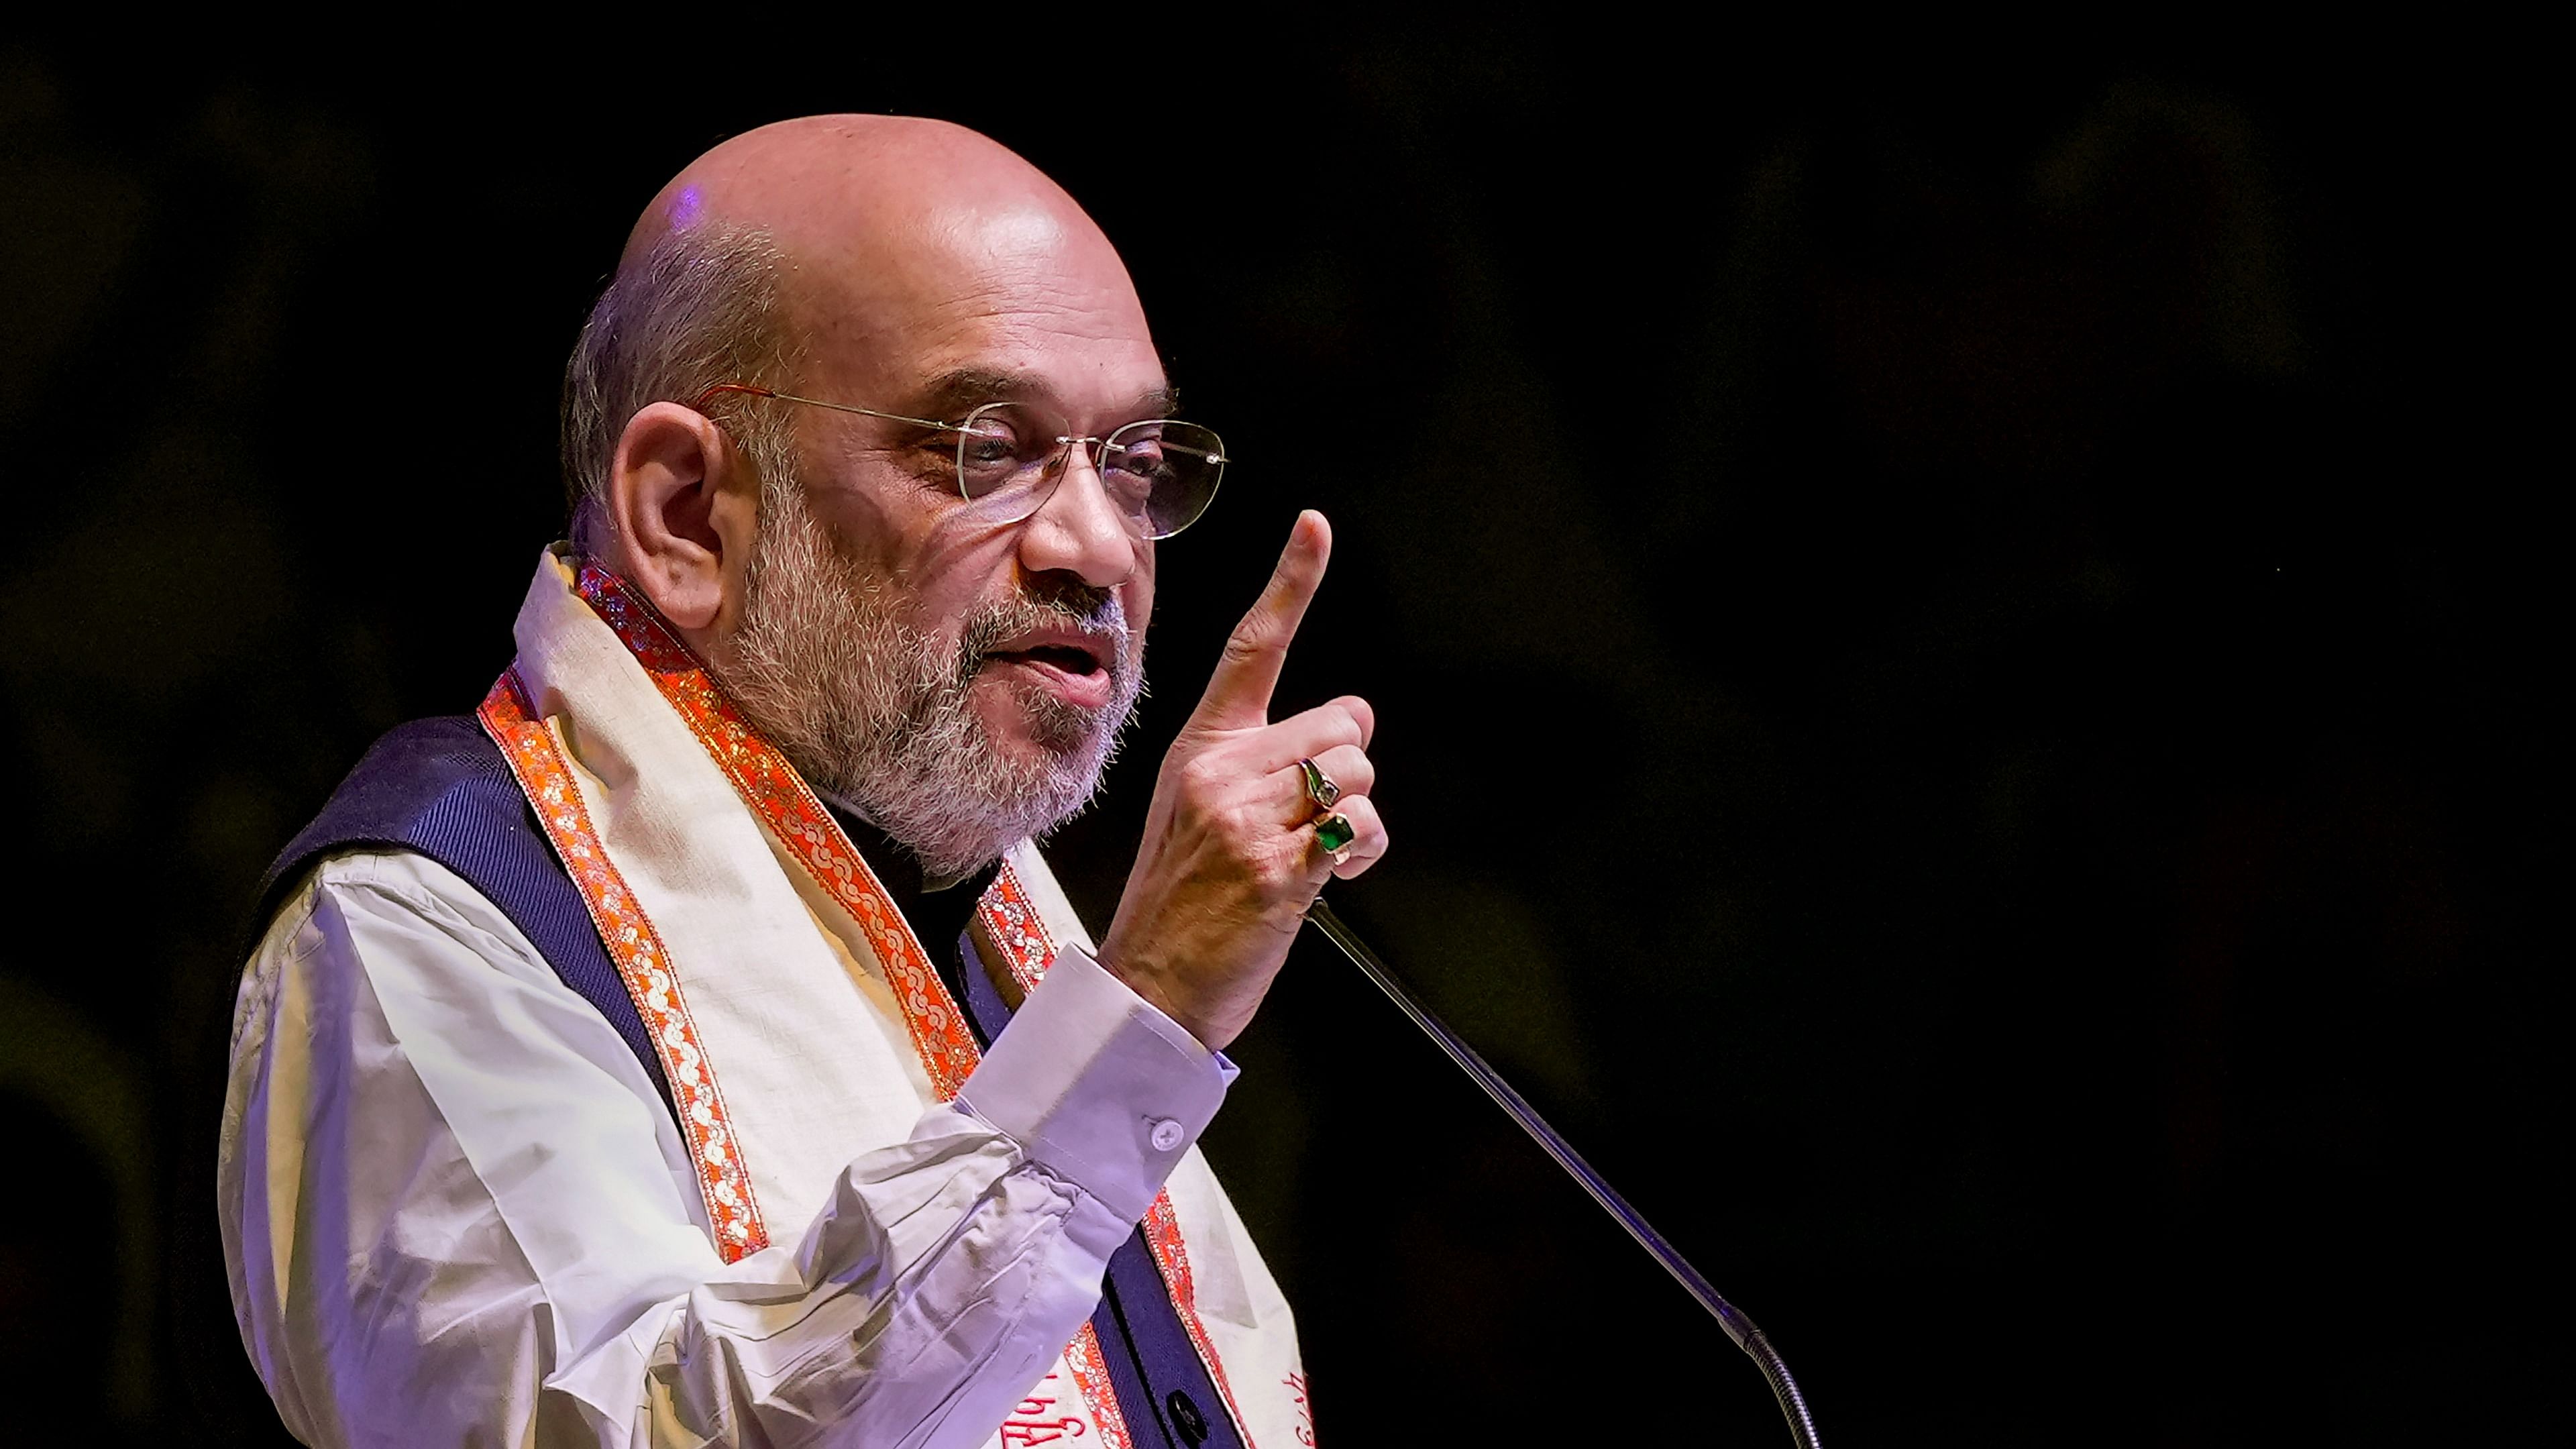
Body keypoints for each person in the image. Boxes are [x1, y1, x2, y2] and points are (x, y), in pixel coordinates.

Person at [216, 115, 1383, 1449]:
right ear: (687, 512)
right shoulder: (434, 912)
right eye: (986, 449)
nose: (1097, 547)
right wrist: (1150, 1006)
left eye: (1130, 462)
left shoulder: (967, 887)